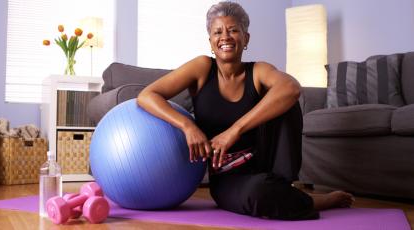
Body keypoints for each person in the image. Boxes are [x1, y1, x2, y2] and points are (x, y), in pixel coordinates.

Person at [138, 1, 354, 220]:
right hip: (229, 177)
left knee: (285, 100)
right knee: (259, 193)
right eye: (218, 32)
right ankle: (310, 200)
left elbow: (291, 88)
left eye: (233, 30)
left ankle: (285, 188)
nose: (225, 37)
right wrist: (188, 126)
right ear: (211, 42)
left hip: (267, 164)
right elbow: (147, 96)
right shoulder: (202, 68)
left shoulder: (258, 71)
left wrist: (235, 130)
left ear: (246, 38)